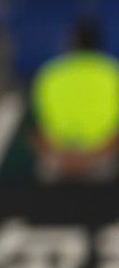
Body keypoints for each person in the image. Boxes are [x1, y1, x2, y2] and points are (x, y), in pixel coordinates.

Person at [31, 19, 119, 183]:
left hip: (57, 159)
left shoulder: (50, 72)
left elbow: (36, 127)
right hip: (101, 159)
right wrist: (92, 157)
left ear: (71, 42)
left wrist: (63, 157)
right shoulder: (113, 72)